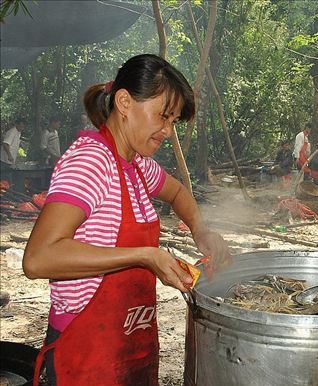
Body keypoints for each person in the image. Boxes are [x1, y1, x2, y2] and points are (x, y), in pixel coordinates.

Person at [23, 54, 231, 386]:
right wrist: (145, 256)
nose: (167, 131)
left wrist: (200, 229)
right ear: (124, 102)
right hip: (86, 353)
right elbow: (39, 258)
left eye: (173, 122)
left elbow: (178, 193)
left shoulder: (135, 164)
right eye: (163, 117)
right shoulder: (91, 162)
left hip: (130, 345)